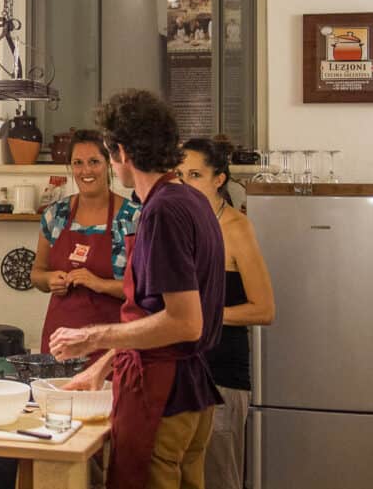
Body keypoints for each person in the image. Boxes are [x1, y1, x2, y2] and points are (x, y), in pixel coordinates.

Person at [49, 89, 225, 489]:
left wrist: (92, 335)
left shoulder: (163, 211)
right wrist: (101, 367)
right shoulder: (191, 201)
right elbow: (150, 315)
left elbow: (183, 323)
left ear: (121, 154)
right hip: (190, 397)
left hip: (161, 398)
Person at [178, 138, 275, 489]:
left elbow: (264, 309)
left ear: (219, 179)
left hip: (221, 376)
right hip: (177, 374)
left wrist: (205, 316)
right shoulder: (177, 224)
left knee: (218, 479)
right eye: (179, 175)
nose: (184, 183)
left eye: (195, 175)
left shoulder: (237, 228)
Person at [31, 129, 140, 361]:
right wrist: (49, 280)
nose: (86, 171)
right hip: (59, 343)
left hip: (111, 347)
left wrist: (99, 284)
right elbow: (36, 274)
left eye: (94, 162)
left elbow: (145, 292)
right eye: (78, 163)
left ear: (109, 164)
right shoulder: (55, 215)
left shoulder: (132, 218)